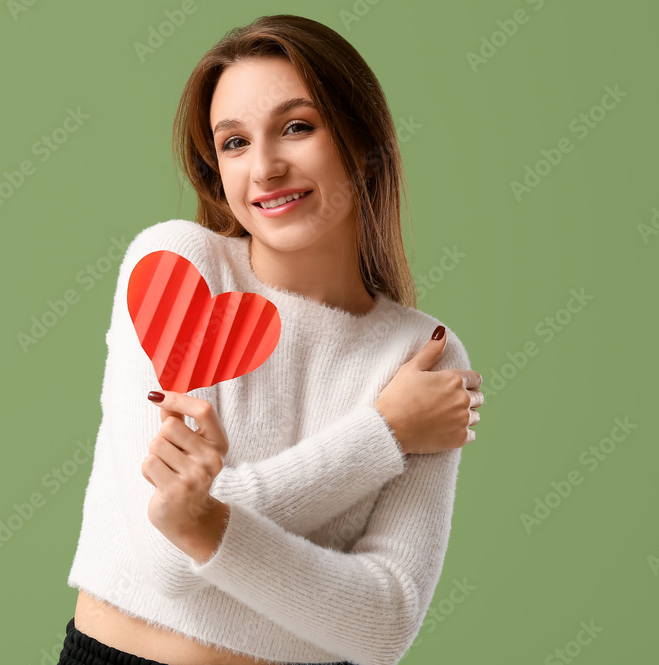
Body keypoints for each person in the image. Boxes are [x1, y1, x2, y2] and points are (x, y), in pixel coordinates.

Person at [59, 14, 485, 665]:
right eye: (234, 143)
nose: (265, 167)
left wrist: (207, 518)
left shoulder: (423, 353)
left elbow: (384, 622)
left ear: (361, 142)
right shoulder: (176, 271)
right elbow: (167, 554)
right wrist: (385, 432)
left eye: (296, 127)